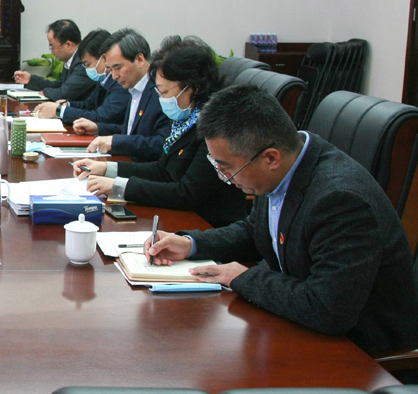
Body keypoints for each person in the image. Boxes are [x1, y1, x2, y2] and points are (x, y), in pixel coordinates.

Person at [144, 84, 418, 354]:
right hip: (297, 322)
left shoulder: (341, 200)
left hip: (358, 352)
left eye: (227, 168)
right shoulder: (284, 164)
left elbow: (327, 309)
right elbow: (255, 231)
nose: (225, 178)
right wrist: (190, 244)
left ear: (270, 158)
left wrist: (242, 277)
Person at [73, 36, 246, 227]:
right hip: (180, 217)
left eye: (164, 92)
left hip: (207, 225)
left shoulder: (216, 127)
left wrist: (120, 187)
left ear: (193, 88)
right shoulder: (184, 119)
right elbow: (163, 170)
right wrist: (107, 169)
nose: (162, 99)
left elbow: (187, 194)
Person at [72, 28, 171, 162]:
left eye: (118, 68)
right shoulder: (134, 87)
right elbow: (131, 132)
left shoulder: (161, 91)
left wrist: (117, 142)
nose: (114, 76)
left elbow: (162, 143)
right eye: (111, 69)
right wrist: (98, 128)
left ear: (140, 59)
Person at [33, 28, 127, 126]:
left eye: (88, 64)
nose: (87, 70)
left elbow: (101, 117)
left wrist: (60, 111)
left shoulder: (120, 83)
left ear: (104, 59)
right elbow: (89, 104)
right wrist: (67, 105)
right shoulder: (103, 79)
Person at [13, 19, 96, 102]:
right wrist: (30, 80)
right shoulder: (71, 59)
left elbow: (64, 93)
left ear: (68, 45)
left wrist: (46, 92)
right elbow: (59, 85)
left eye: (52, 46)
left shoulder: (83, 62)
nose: (51, 51)